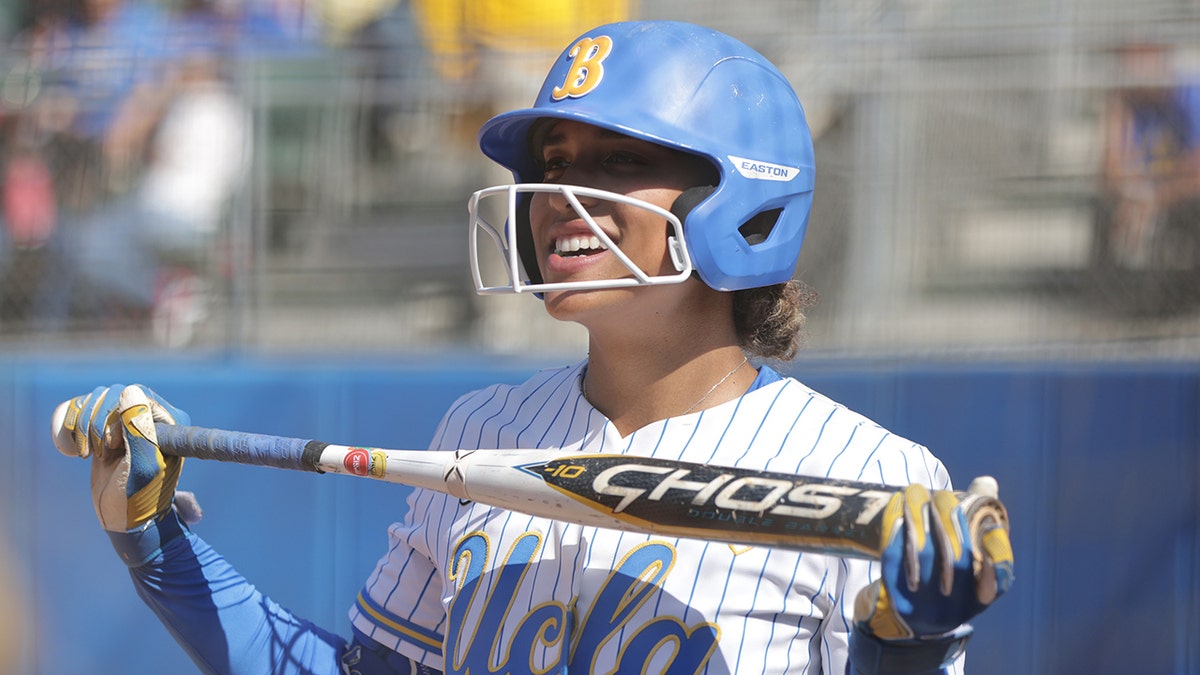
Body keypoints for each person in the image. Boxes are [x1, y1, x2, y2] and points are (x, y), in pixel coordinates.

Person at [53, 21, 1013, 674]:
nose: (561, 194)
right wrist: (157, 549)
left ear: (741, 203)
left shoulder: (872, 476)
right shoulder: (483, 428)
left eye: (620, 162)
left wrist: (907, 648)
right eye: (557, 164)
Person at [1092, 41, 1200, 311]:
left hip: (1179, 198)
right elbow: (1111, 171)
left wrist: (1155, 196)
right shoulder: (1128, 101)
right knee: (1104, 206)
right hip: (1145, 195)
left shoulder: (1190, 90)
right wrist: (1117, 111)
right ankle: (1111, 302)